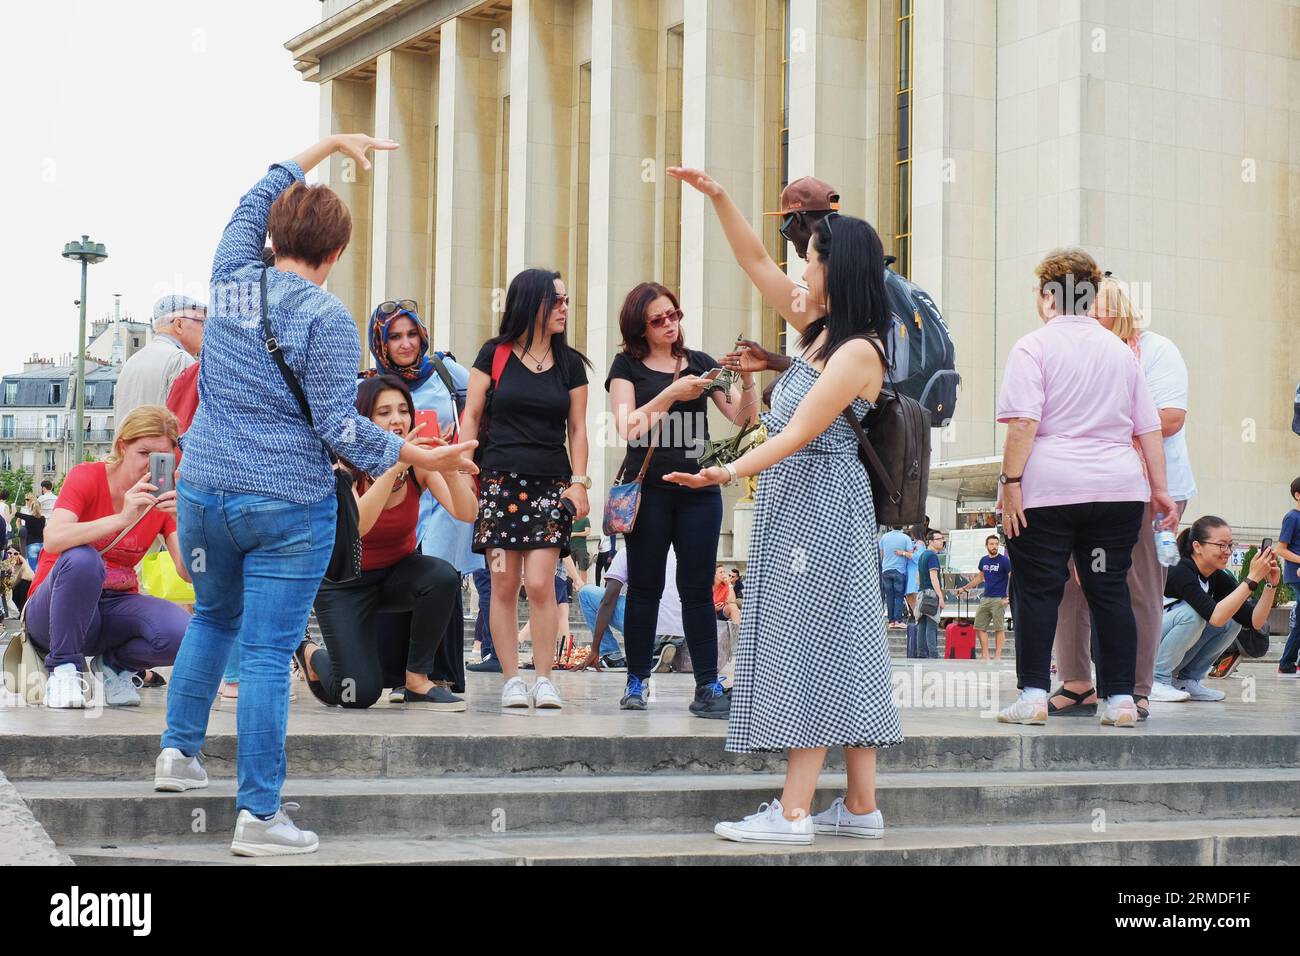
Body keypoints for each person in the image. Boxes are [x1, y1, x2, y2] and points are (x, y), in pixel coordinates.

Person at [156, 134, 478, 859]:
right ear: (335, 254)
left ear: (273, 232)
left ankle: (177, 756)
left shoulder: (230, 275)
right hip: (284, 500)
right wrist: (418, 451)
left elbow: (254, 192)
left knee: (212, 619)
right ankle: (259, 816)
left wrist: (327, 146)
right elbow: (340, 427)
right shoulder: (327, 318)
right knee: (269, 653)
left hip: (203, 488)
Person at [665, 165, 903, 844]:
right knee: (847, 646)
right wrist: (719, 197)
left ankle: (793, 811)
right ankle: (860, 806)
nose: (803, 264)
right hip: (806, 499)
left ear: (839, 268)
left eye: (814, 256)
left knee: (812, 644)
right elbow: (755, 259)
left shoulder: (857, 351)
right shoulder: (821, 330)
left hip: (822, 500)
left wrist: (725, 471)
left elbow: (798, 433)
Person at [995, 247, 1176, 729]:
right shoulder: (1121, 351)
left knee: (1039, 590)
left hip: (1049, 489)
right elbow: (1149, 428)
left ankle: (1033, 695)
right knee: (1109, 590)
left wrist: (1010, 483)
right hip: (1118, 489)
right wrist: (1160, 490)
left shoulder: (1032, 347)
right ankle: (1119, 700)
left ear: (1048, 297)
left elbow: (1023, 424)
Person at [606, 281, 758, 716]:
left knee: (697, 589)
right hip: (648, 492)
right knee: (644, 589)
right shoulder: (625, 366)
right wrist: (673, 392)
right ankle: (636, 681)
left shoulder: (701, 365)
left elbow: (746, 423)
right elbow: (629, 427)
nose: (670, 324)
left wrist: (746, 378)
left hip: (698, 491)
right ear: (640, 326)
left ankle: (707, 686)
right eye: (659, 319)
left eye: (674, 315)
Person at [1050, 276, 1196, 718]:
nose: (1087, 319)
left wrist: (1099, 422)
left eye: (1095, 311)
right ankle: (1077, 682)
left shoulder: (1156, 350)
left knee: (1138, 585)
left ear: (1118, 313)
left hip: (1150, 488)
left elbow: (1170, 418)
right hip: (1085, 484)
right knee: (1070, 583)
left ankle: (1134, 687)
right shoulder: (1074, 352)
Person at [297, 375, 477, 710]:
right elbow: (358, 528)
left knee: (441, 576)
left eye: (403, 410)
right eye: (384, 412)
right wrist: (395, 467)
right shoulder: (341, 465)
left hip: (395, 575)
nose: (397, 419)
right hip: (343, 584)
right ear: (364, 419)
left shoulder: (418, 465)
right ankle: (307, 652)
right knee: (358, 693)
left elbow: (466, 513)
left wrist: (449, 468)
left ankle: (417, 680)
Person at [459, 267, 591, 711]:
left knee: (540, 584)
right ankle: (511, 678)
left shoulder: (570, 363)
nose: (564, 308)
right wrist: (463, 468)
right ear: (530, 302)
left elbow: (578, 428)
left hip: (550, 485)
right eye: (556, 300)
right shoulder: (493, 354)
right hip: (498, 481)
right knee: (501, 581)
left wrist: (580, 482)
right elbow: (472, 416)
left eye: (567, 300)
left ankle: (544, 678)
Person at [23, 406, 193, 708]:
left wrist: (194, 521)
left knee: (184, 632)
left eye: (162, 457)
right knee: (83, 559)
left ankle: (116, 667)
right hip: (52, 610)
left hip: (111, 610)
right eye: (144, 453)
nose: (150, 467)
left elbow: (190, 572)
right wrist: (121, 518)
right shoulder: (87, 476)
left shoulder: (165, 501)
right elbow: (53, 538)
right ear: (122, 447)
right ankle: (63, 670)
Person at [363, 299, 477, 697]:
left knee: (440, 575)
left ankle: (434, 674)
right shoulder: (367, 386)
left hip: (440, 487)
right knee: (397, 573)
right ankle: (392, 674)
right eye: (394, 336)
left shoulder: (448, 375)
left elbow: (479, 412)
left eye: (412, 334)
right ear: (381, 341)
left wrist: (463, 458)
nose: (406, 343)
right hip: (392, 496)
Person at [1151, 517, 1280, 701]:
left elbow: (1254, 621)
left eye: (1230, 545)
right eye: (1221, 545)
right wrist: (1251, 579)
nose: (1227, 552)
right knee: (1193, 615)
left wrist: (1270, 585)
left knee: (1232, 620)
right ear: (1197, 546)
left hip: (1164, 645)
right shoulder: (1180, 569)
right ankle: (1156, 680)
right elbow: (1215, 617)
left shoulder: (1216, 576)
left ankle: (1187, 680)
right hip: (1142, 648)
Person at [574, 547, 687, 674]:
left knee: (585, 593)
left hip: (647, 627)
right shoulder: (679, 551)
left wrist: (595, 649)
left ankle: (611, 654)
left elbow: (607, 601)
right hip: (681, 631)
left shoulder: (628, 551)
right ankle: (662, 647)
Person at [114, 295, 206, 419]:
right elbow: (185, 424)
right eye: (201, 322)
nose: (205, 329)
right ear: (179, 324)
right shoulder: (180, 360)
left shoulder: (130, 363)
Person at [956, 535, 1011, 662]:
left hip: (999, 598)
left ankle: (997, 656)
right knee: (979, 627)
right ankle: (985, 655)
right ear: (986, 546)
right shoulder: (984, 560)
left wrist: (1009, 597)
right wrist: (964, 588)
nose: (994, 546)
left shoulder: (1004, 561)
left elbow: (1012, 578)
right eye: (991, 544)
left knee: (999, 628)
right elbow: (979, 578)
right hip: (986, 597)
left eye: (996, 544)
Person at [1275, 477, 1300, 675]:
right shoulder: (1292, 517)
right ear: (1297, 495)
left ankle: (1288, 663)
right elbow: (1280, 549)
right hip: (1297, 575)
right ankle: (1286, 663)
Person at [913, 530, 945, 659]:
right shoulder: (932, 556)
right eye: (938, 539)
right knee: (931, 624)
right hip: (931, 593)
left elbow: (918, 577)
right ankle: (933, 654)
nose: (942, 540)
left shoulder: (922, 555)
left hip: (921, 592)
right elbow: (934, 577)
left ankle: (921, 653)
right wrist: (940, 596)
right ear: (930, 541)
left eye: (942, 538)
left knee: (922, 624)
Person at [878, 525, 912, 627]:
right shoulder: (906, 538)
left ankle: (891, 621)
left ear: (891, 526)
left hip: (886, 569)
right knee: (898, 596)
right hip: (899, 570)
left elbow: (881, 553)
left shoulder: (884, 537)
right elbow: (910, 554)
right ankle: (898, 620)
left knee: (889, 596)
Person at [15, 495, 45, 570]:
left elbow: (15, 513)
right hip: (42, 545)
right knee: (41, 567)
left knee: (32, 569)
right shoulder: (43, 519)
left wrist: (13, 506)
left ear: (31, 509)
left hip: (31, 545)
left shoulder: (28, 518)